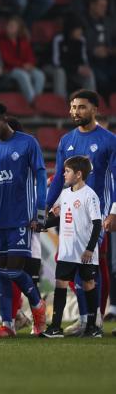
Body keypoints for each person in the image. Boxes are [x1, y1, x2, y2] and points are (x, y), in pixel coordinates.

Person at [45, 90, 115, 335]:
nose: (75, 111)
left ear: (95, 109)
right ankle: (87, 317)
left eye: (81, 107)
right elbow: (58, 180)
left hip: (98, 212)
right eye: (73, 107)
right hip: (71, 213)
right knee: (66, 263)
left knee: (95, 265)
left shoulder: (109, 140)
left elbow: (115, 178)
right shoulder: (66, 140)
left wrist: (113, 212)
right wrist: (47, 204)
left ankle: (95, 317)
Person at [0, 100, 48, 337]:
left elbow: (40, 176)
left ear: (5, 119)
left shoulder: (28, 143)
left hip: (21, 219)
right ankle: (7, 324)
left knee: (14, 270)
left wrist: (40, 212)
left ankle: (38, 309)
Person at [42, 155, 103, 338]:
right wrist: (42, 225)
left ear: (78, 174)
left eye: (67, 171)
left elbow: (97, 224)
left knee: (88, 284)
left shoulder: (90, 195)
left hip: (85, 252)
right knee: (60, 284)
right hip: (67, 251)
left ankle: (92, 327)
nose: (63, 174)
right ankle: (55, 327)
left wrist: (90, 249)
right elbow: (61, 217)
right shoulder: (66, 193)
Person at [0, 16, 45, 103]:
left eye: (12, 26)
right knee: (23, 75)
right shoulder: (1, 40)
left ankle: (37, 100)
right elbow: (6, 59)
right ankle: (31, 101)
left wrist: (30, 64)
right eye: (8, 26)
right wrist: (22, 65)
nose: (9, 28)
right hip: (9, 69)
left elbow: (31, 56)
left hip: (24, 67)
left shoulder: (23, 40)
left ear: (18, 29)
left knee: (39, 75)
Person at [50, 18, 95, 96]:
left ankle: (90, 101)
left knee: (89, 73)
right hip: (53, 68)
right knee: (60, 72)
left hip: (73, 69)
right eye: (78, 29)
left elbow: (84, 60)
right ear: (70, 29)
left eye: (81, 29)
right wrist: (76, 68)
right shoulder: (59, 39)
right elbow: (56, 62)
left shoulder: (81, 40)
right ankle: (60, 102)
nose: (80, 32)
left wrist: (84, 68)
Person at [83, 0, 116, 99]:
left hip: (109, 59)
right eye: (101, 6)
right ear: (92, 5)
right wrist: (93, 51)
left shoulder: (110, 23)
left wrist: (110, 51)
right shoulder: (82, 22)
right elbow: (77, 44)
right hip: (90, 60)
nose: (104, 9)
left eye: (105, 6)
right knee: (102, 79)